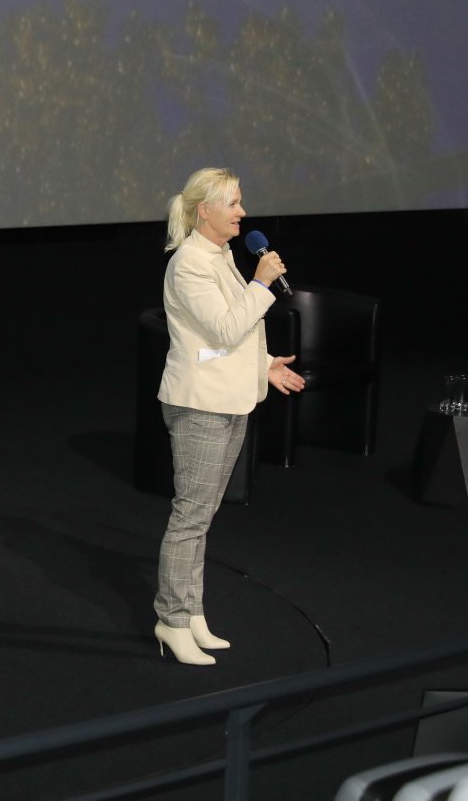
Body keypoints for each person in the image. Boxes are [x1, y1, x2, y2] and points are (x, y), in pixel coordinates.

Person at [152, 167, 304, 666]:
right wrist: (261, 283)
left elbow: (226, 340)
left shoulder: (221, 256)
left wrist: (265, 365)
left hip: (228, 398)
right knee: (189, 517)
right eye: (233, 203)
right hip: (200, 404)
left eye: (240, 202)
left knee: (203, 516)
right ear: (205, 211)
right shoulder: (189, 264)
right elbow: (223, 330)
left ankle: (192, 613)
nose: (243, 212)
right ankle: (172, 620)